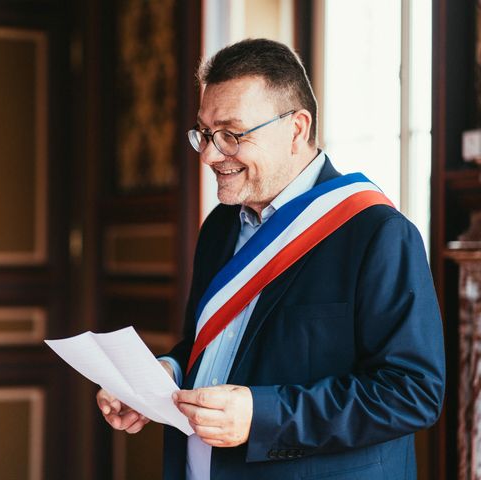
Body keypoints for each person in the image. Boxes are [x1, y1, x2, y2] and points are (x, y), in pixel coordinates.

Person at [96, 38, 445, 480]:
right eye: (204, 133)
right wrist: (163, 376)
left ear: (297, 128)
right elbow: (208, 345)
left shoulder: (378, 233)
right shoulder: (220, 227)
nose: (209, 154)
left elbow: (412, 392)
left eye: (231, 134)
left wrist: (261, 416)